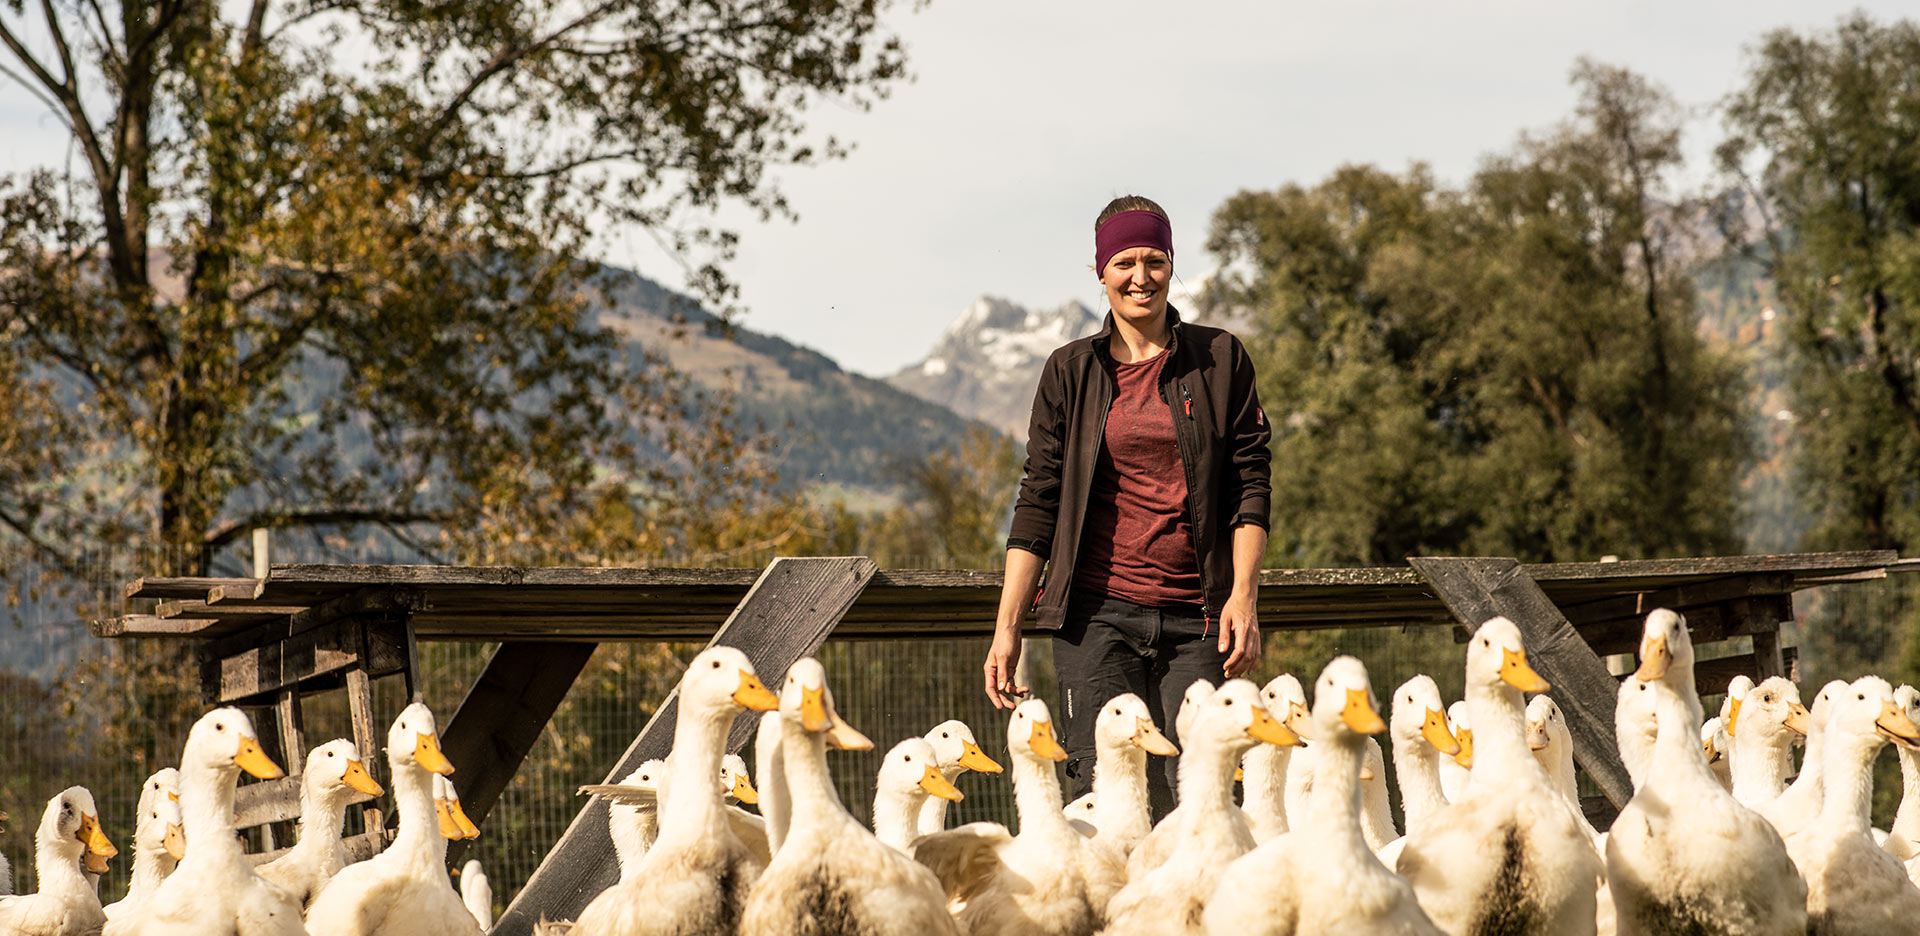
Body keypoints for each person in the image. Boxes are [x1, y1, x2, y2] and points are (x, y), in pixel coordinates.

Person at [983, 195, 1272, 817]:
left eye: (1155, 260)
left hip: (1198, 621)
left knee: (1200, 803)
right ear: (1101, 272)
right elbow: (1039, 497)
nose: (1141, 277)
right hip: (1095, 622)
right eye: (1125, 262)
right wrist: (1008, 626)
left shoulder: (1220, 359)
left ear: (1172, 265)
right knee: (1106, 805)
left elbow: (1251, 484)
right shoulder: (1070, 372)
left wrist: (1242, 599)